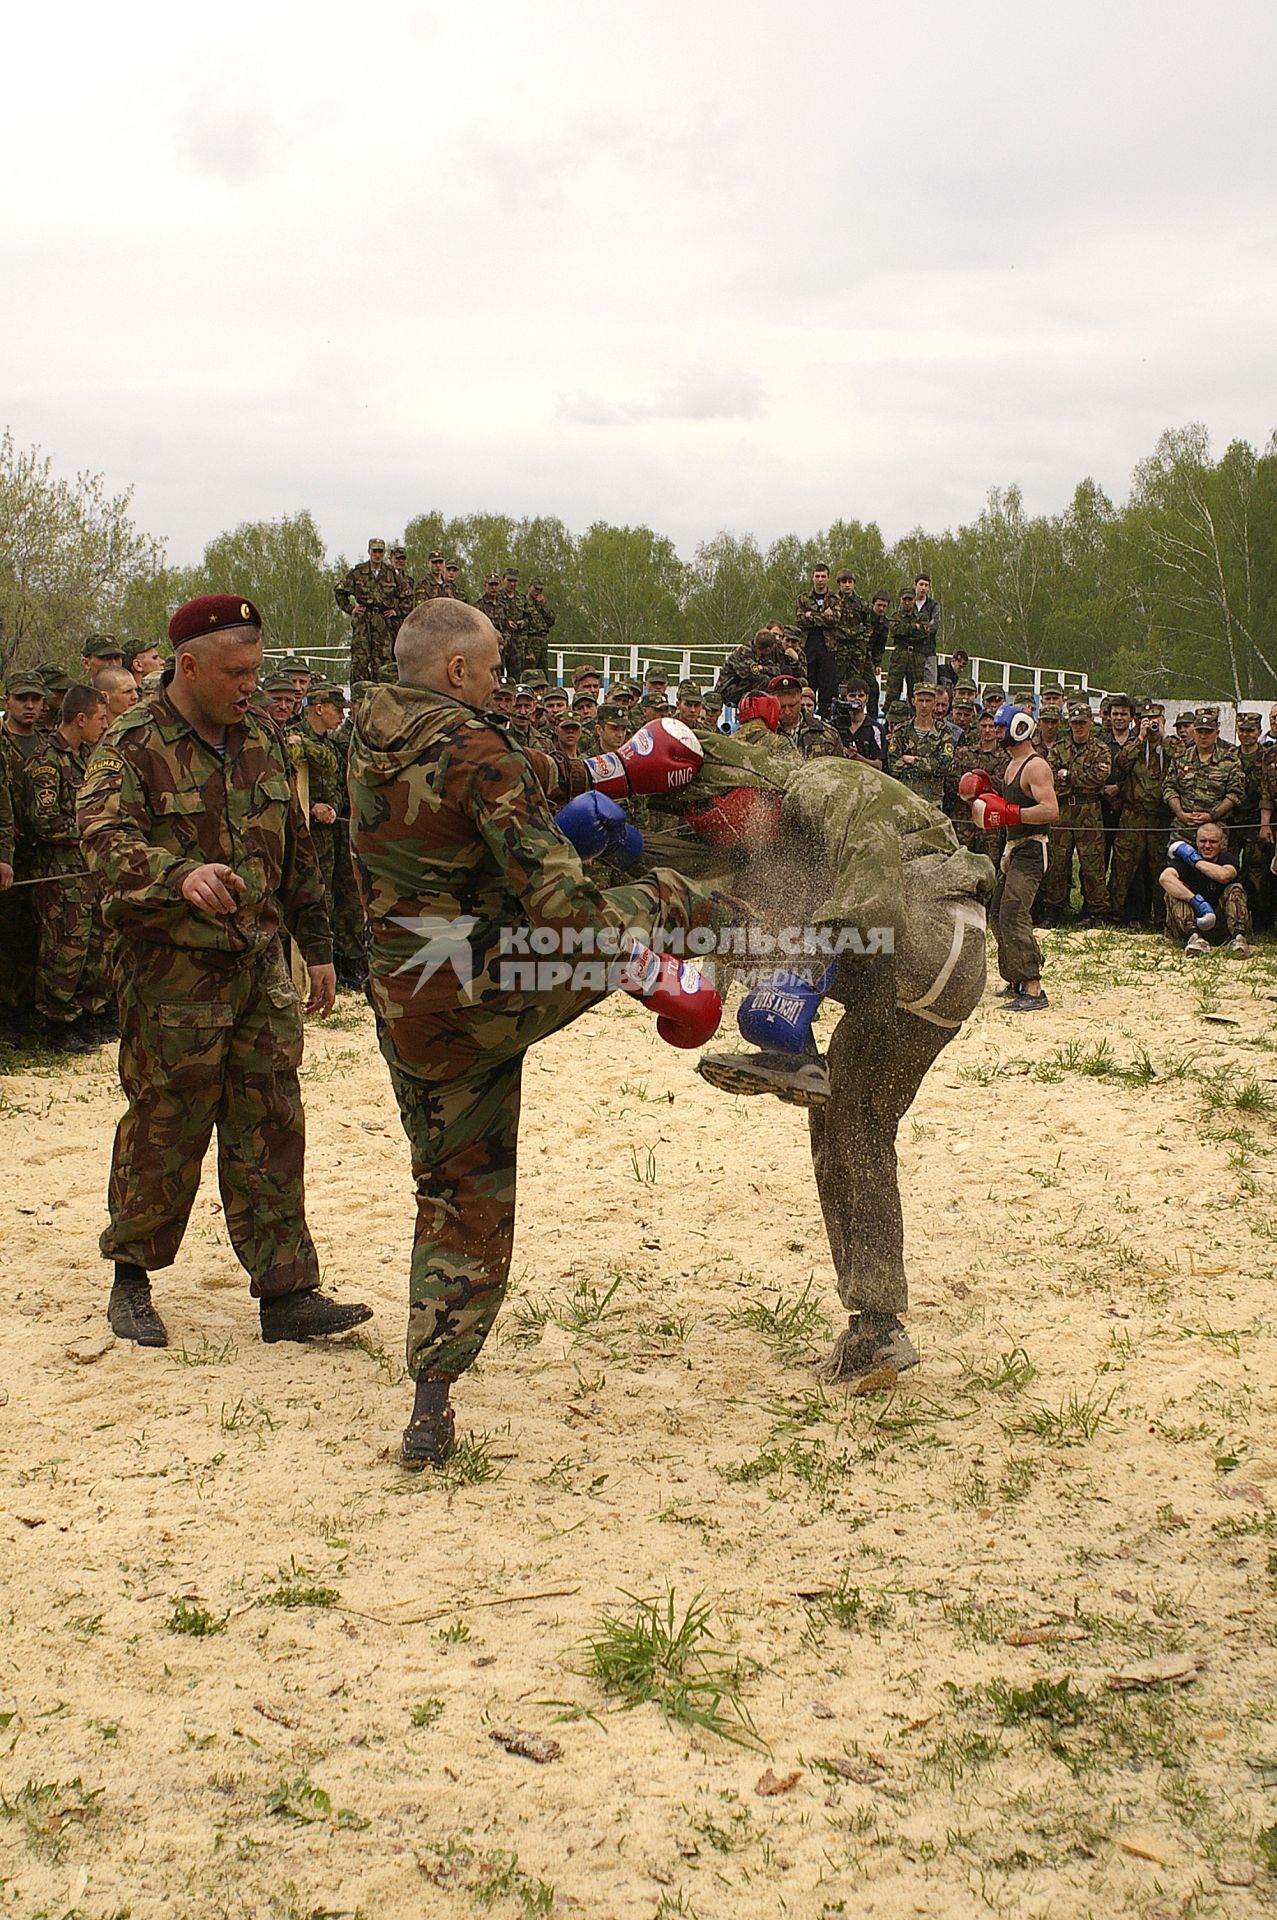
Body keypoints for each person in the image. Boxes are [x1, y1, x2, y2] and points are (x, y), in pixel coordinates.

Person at [347, 598, 741, 1467]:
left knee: (459, 1191)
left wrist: (607, 767)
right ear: (456, 671)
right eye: (488, 669)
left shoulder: (369, 728)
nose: (498, 684)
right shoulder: (478, 749)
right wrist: (648, 977)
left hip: (409, 989)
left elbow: (502, 763)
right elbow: (561, 908)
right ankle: (799, 961)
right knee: (668, 899)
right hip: (483, 982)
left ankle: (430, 1404)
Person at [77, 594, 371, 1351]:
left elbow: (299, 850)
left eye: (255, 669)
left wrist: (322, 947)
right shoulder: (131, 744)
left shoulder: (266, 737)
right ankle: (132, 1279)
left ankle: (287, 1293)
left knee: (272, 1120)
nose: (250, 684)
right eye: (236, 672)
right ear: (188, 666)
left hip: (260, 967)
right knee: (166, 1120)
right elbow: (103, 837)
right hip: (170, 972)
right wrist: (175, 873)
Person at [671, 734, 995, 1384]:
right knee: (848, 1130)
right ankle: (875, 1327)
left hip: (928, 934)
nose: (729, 830)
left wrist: (787, 980)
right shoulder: (770, 841)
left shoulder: (823, 783)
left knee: (794, 973)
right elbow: (716, 896)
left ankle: (793, 1051)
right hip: (921, 984)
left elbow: (871, 893)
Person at [28, 685, 114, 1050]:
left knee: (96, 946)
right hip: (61, 873)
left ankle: (88, 1014)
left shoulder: (86, 758)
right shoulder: (48, 761)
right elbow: (44, 821)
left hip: (89, 870)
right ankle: (57, 1023)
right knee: (64, 949)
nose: (105, 724)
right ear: (80, 719)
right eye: (100, 718)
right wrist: (93, 826)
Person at [969, 709, 1059, 1009]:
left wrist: (1011, 813)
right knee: (996, 914)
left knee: (1013, 912)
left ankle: (1034, 988)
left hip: (1033, 848)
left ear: (1020, 728)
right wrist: (989, 796)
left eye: (1001, 725)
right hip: (1014, 847)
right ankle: (1016, 978)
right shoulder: (1012, 764)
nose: (995, 730)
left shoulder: (1036, 767)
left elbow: (1050, 810)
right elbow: (1011, 805)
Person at [1040, 699, 1113, 926]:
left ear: (1091, 722)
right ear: (1069, 723)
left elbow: (1099, 778)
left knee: (1092, 862)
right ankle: (1053, 908)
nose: (1079, 727)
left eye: (1083, 722)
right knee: (1057, 861)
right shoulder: (1058, 748)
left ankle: (1096, 910)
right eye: (1075, 722)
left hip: (1089, 809)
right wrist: (1076, 777)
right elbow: (1050, 778)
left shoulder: (1100, 749)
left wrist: (1068, 775)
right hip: (1062, 809)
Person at [1108, 701, 1179, 925]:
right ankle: (1114, 913)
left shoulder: (1172, 746)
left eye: (1157, 721)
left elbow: (1182, 759)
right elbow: (1120, 763)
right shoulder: (1134, 745)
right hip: (1133, 815)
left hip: (1160, 817)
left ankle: (1161, 916)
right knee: (1123, 866)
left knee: (1160, 866)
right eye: (1149, 721)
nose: (1153, 726)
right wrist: (1141, 738)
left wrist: (1163, 737)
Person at [1160, 824, 1249, 955]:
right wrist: (1197, 902)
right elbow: (1165, 878)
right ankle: (1195, 939)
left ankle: (1238, 938)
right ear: (1196, 841)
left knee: (1235, 889)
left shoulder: (1226, 858)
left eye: (1212, 842)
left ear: (1221, 843)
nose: (1207, 846)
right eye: (1203, 841)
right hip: (1190, 922)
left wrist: (1196, 861)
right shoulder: (1183, 860)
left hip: (1220, 924)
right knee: (1173, 892)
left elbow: (1224, 875)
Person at [334, 538, 409, 685]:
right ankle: (358, 698)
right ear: (369, 552)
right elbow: (339, 591)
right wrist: (351, 609)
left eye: (380, 551)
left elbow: (407, 596)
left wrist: (397, 611)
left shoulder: (391, 573)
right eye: (375, 551)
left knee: (383, 661)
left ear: (384, 553)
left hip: (383, 621)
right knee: (360, 660)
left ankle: (383, 697)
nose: (377, 555)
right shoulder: (358, 572)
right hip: (363, 620)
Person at [887, 684, 955, 804]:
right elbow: (894, 765)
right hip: (905, 798)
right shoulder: (901, 731)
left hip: (932, 801)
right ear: (913, 701)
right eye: (920, 700)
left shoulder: (944, 733)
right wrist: (927, 764)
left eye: (928, 701)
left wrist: (912, 760)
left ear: (934, 703)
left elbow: (943, 767)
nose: (924, 705)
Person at [883, 588, 931, 708]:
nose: (907, 602)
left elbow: (924, 633)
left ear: (914, 600)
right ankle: (889, 718)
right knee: (893, 690)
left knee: (916, 691)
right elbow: (895, 631)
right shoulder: (896, 616)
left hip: (916, 656)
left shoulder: (922, 617)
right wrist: (914, 627)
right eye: (905, 599)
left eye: (910, 599)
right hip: (900, 654)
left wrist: (907, 629)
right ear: (901, 600)